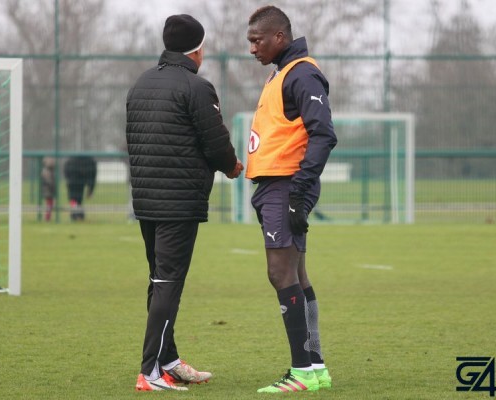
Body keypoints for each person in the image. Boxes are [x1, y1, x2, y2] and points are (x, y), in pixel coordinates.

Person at [126, 14, 244, 392]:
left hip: (146, 199)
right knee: (168, 282)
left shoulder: (141, 83)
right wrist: (231, 166)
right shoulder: (197, 87)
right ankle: (150, 372)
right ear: (198, 49)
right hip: (178, 202)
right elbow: (215, 143)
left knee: (159, 281)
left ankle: (168, 360)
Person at [246, 6, 338, 393]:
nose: (252, 48)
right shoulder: (281, 72)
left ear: (279, 37)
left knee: (280, 273)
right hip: (277, 186)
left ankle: (300, 370)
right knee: (297, 275)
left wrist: (299, 191)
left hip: (286, 185)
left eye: (257, 40)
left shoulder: (301, 73)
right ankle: (314, 367)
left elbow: (324, 134)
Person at [63, 155, 97, 221]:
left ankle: (76, 214)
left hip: (72, 182)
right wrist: (90, 189)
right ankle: (78, 214)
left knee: (73, 199)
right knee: (77, 199)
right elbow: (92, 177)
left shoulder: (70, 162)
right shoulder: (89, 162)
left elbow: (66, 173)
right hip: (79, 182)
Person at [40, 156, 56, 222]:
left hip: (48, 189)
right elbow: (49, 181)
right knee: (49, 204)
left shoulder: (49, 171)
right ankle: (47, 217)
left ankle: (48, 217)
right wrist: (52, 187)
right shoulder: (46, 171)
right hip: (48, 189)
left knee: (50, 203)